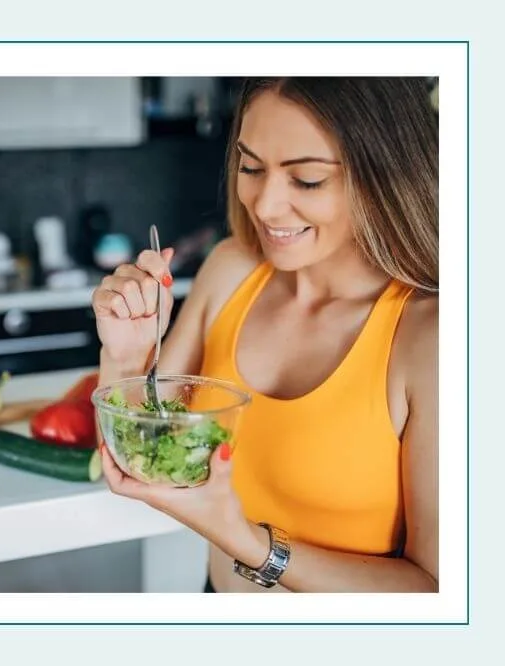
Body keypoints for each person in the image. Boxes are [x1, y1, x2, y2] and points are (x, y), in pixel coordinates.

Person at [91, 77, 438, 593]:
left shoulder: (429, 339)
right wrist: (127, 352)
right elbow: (138, 458)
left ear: (388, 177)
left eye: (308, 180)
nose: (266, 205)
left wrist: (247, 541)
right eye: (251, 168)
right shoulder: (232, 269)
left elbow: (441, 596)